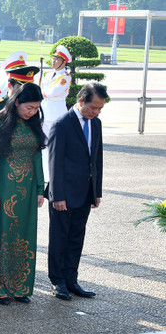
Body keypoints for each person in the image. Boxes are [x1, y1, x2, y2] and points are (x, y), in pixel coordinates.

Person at [0, 83, 45, 304]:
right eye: (29, 107)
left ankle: (19, 286)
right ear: (17, 101)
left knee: (23, 234)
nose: (32, 112)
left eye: (36, 108)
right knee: (1, 233)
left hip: (27, 188)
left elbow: (37, 157)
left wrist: (39, 190)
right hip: (4, 187)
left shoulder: (32, 124)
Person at [47, 82, 106, 301]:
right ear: (80, 101)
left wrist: (96, 190)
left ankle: (71, 279)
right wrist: (57, 195)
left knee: (76, 237)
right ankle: (58, 281)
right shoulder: (62, 124)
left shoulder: (96, 123)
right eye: (93, 107)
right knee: (59, 237)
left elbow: (97, 159)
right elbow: (54, 163)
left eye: (99, 108)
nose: (96, 112)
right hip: (64, 194)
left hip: (85, 192)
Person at [41, 45, 72, 184]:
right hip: (44, 113)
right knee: (44, 144)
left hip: (56, 114)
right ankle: (46, 174)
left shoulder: (65, 77)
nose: (53, 62)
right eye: (53, 59)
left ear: (64, 62)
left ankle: (56, 173)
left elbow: (53, 92)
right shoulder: (49, 75)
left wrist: (43, 92)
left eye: (57, 59)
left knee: (56, 145)